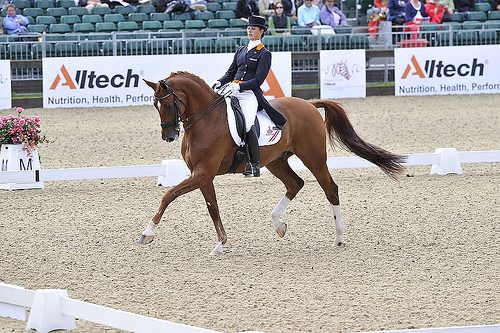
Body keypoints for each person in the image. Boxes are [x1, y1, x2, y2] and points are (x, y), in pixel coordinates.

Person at [211, 16, 287, 178]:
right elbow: (231, 72)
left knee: (247, 124)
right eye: (249, 28)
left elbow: (258, 80)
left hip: (249, 95)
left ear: (261, 31)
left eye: (253, 28)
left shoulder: (264, 54)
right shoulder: (241, 50)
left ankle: (254, 165)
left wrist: (239, 86)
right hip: (232, 90)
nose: (250, 31)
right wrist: (220, 81)